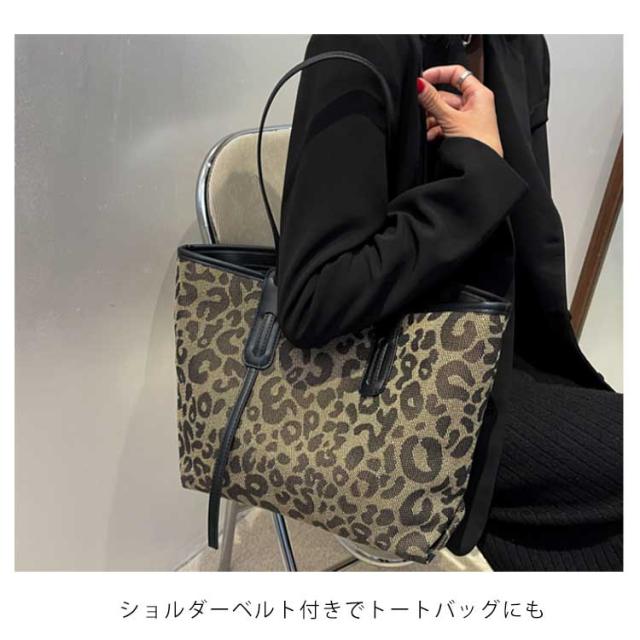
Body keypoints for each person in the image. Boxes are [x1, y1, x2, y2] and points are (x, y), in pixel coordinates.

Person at [276, 34, 622, 571]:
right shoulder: (363, 39)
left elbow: (523, 229)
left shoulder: (522, 46)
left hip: (504, 358)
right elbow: (313, 299)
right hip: (398, 391)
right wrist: (477, 170)